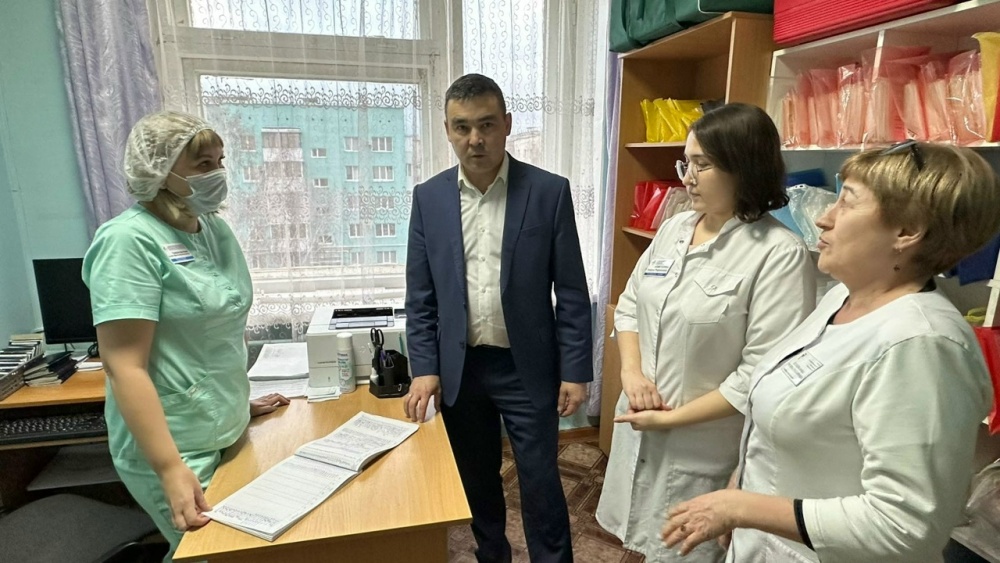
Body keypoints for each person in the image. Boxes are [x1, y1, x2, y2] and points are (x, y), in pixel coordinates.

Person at [660, 141, 1000, 562]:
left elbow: (905, 526)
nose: (824, 217)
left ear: (907, 231)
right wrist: (743, 483)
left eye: (847, 202)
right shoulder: (843, 297)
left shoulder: (923, 345)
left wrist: (742, 508)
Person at [595, 103, 817, 562]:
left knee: (685, 550)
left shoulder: (779, 253)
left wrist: (669, 420)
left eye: (702, 165)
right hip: (640, 426)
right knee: (644, 544)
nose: (688, 178)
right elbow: (632, 304)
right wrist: (631, 374)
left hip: (702, 449)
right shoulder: (675, 228)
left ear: (744, 167)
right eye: (686, 163)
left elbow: (759, 375)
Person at [83, 110, 289, 560]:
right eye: (203, 164)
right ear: (159, 171)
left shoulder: (212, 228)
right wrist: (169, 467)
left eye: (220, 161)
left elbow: (213, 331)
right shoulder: (128, 241)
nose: (218, 174)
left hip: (225, 427)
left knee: (241, 550)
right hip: (175, 445)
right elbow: (124, 365)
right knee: (214, 552)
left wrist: (235, 402)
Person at [403, 73, 593, 563]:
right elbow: (420, 297)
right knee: (476, 478)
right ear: (447, 130)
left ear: (507, 124)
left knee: (541, 481)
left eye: (486, 124)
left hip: (525, 367)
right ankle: (492, 555)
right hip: (460, 369)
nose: (475, 139)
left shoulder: (548, 192)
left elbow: (572, 292)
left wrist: (575, 371)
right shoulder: (429, 198)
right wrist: (424, 368)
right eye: (462, 127)